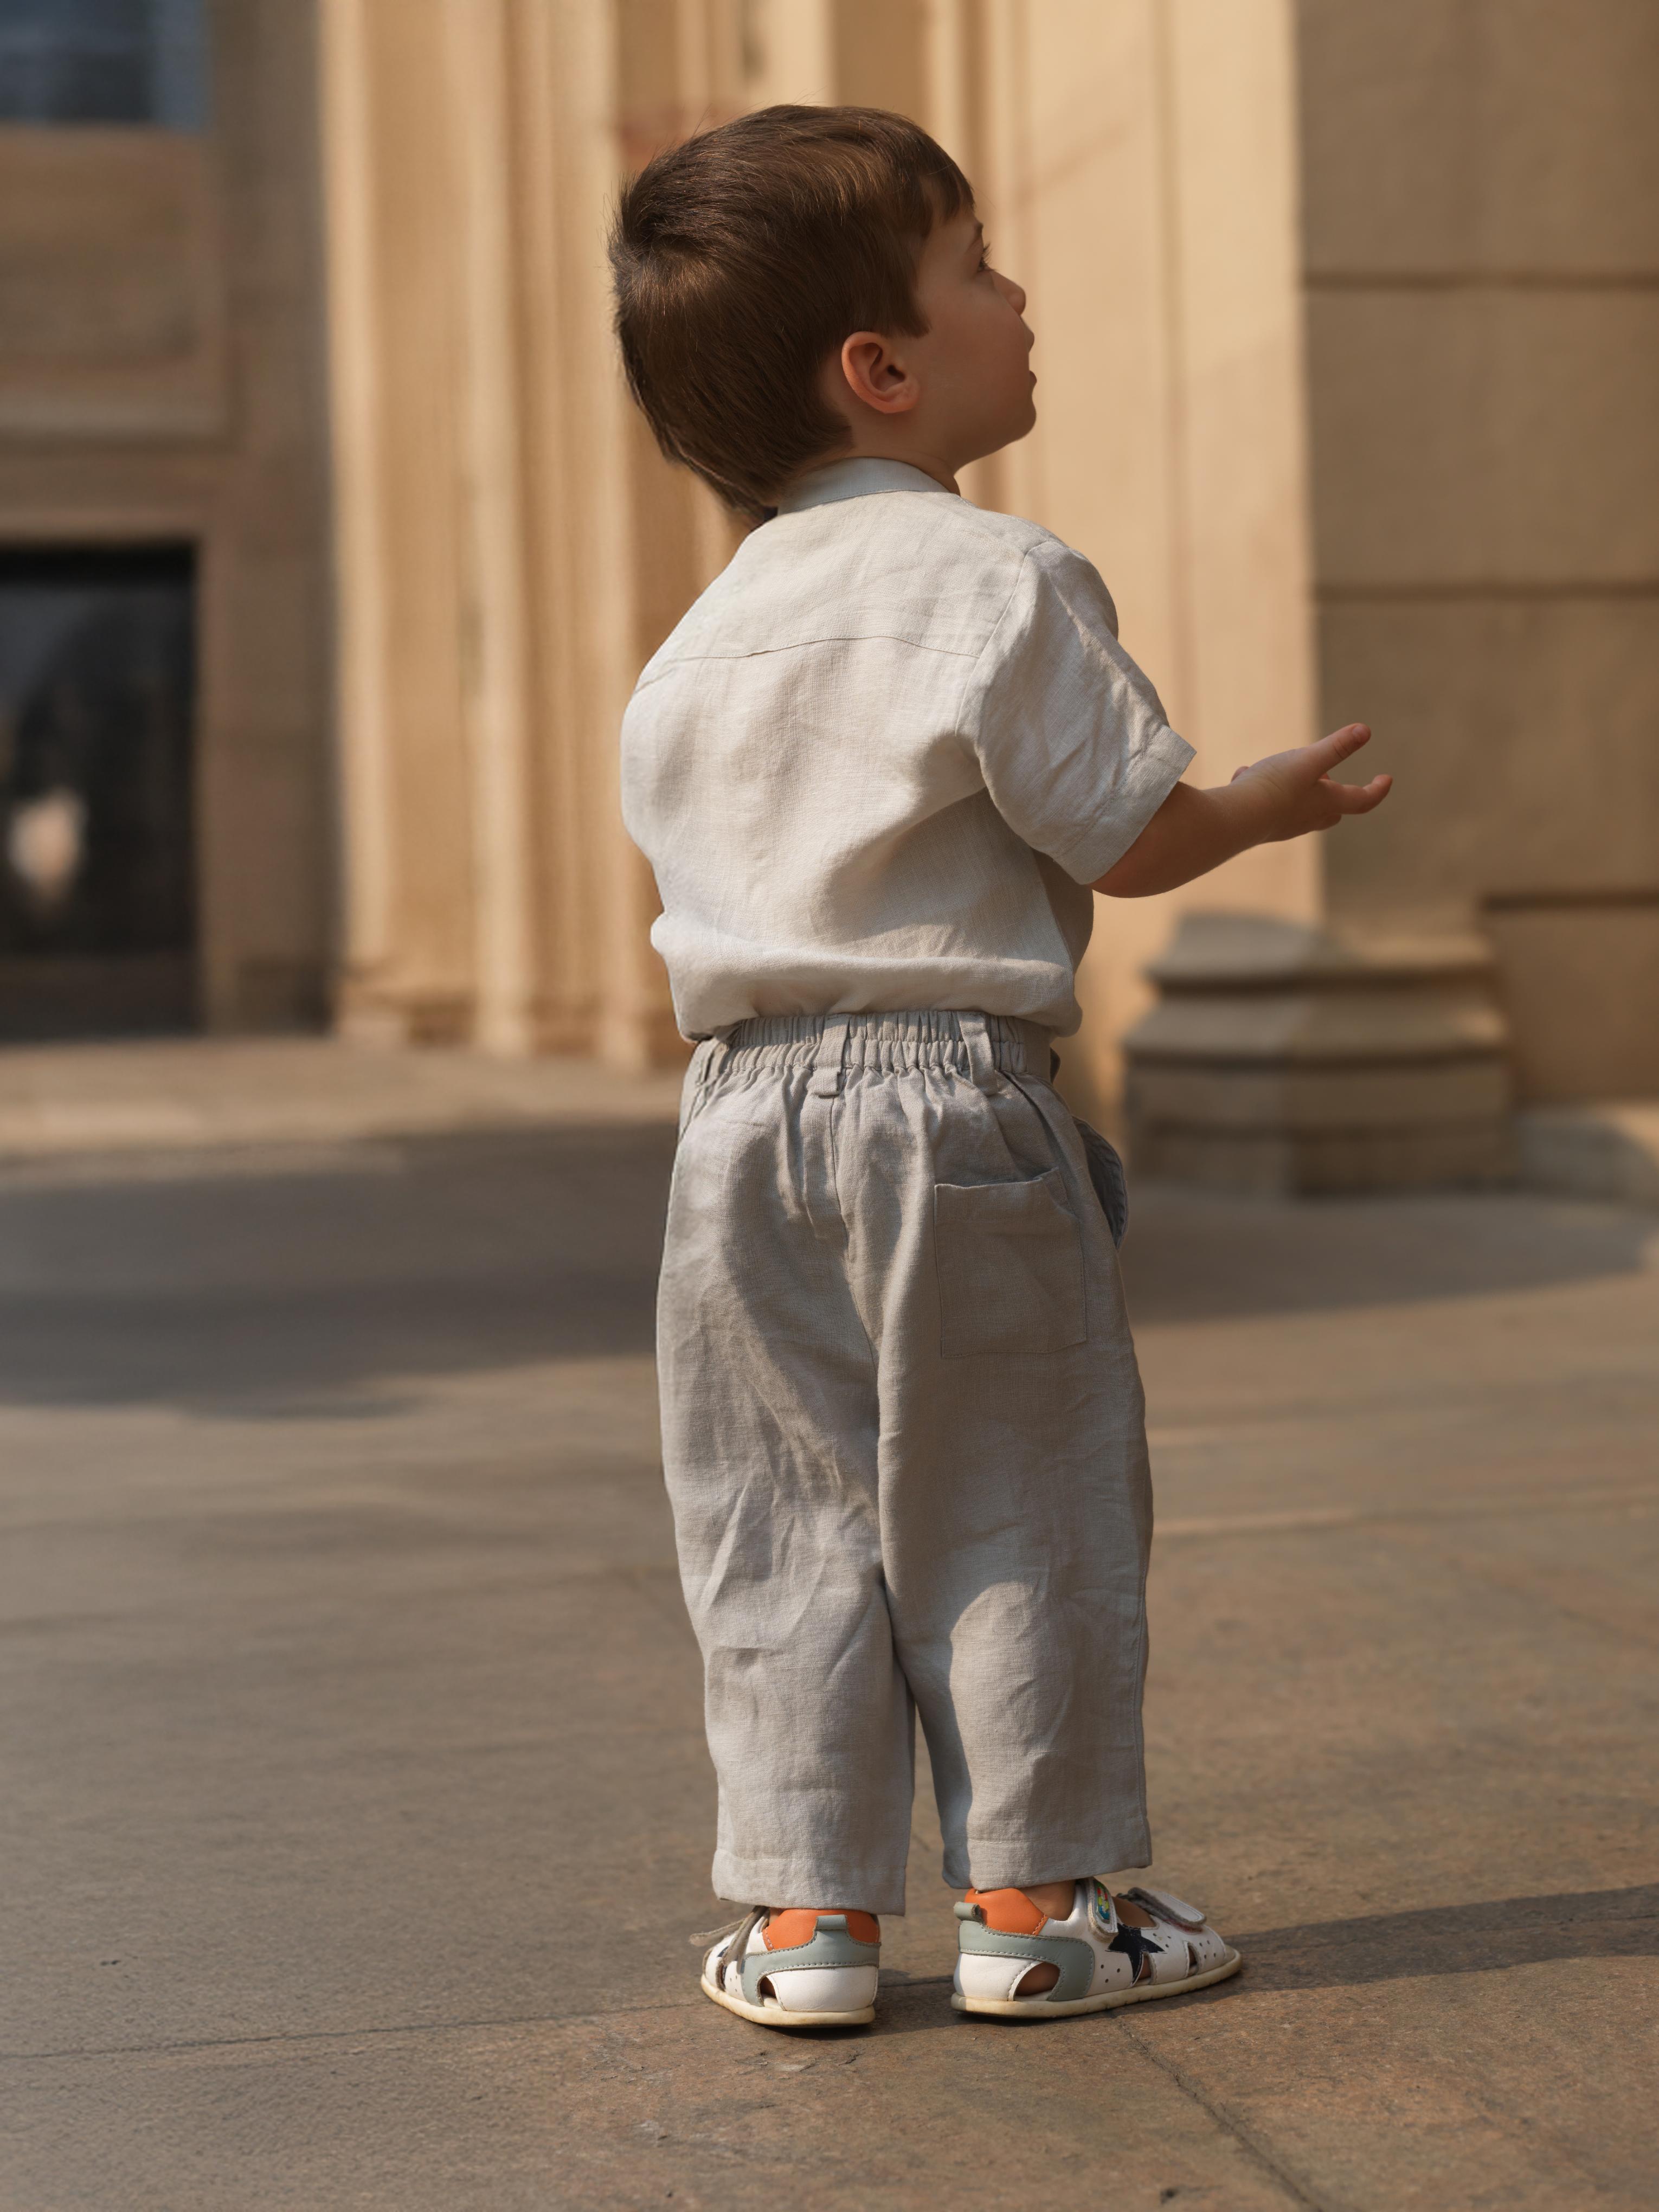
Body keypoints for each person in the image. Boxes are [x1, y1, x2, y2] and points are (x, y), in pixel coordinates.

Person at [611, 106, 1390, 2029]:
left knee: (774, 1515)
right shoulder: (996, 575)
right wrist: (1254, 810)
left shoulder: (690, 648)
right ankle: (1036, 1911)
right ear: (881, 368)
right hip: (947, 1106)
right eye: (978, 268)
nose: (1017, 293)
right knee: (1010, 1494)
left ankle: (806, 1932)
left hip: (734, 1139)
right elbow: (1122, 836)